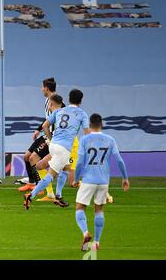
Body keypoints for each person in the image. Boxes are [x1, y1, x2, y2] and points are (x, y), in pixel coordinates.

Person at [23, 89, 91, 209]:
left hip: (53, 145)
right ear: (81, 100)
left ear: (69, 99)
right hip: (64, 148)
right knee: (51, 175)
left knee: (66, 168)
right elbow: (87, 133)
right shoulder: (82, 114)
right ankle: (30, 196)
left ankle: (58, 196)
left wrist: (50, 138)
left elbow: (45, 126)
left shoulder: (60, 111)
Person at [73, 113, 129, 251]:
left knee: (80, 208)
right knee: (99, 210)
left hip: (88, 180)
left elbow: (80, 162)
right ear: (101, 124)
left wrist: (75, 179)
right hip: (104, 181)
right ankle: (96, 242)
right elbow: (119, 160)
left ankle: (86, 233)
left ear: (90, 125)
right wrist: (125, 178)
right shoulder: (110, 139)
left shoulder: (85, 139)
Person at [17, 78, 62, 201]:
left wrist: (54, 136)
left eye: (42, 87)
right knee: (27, 156)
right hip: (45, 134)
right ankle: (32, 183)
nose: (41, 89)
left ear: (46, 88)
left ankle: (43, 188)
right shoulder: (48, 100)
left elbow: (62, 118)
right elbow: (49, 118)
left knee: (34, 159)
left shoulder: (57, 101)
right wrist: (38, 129)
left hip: (51, 137)